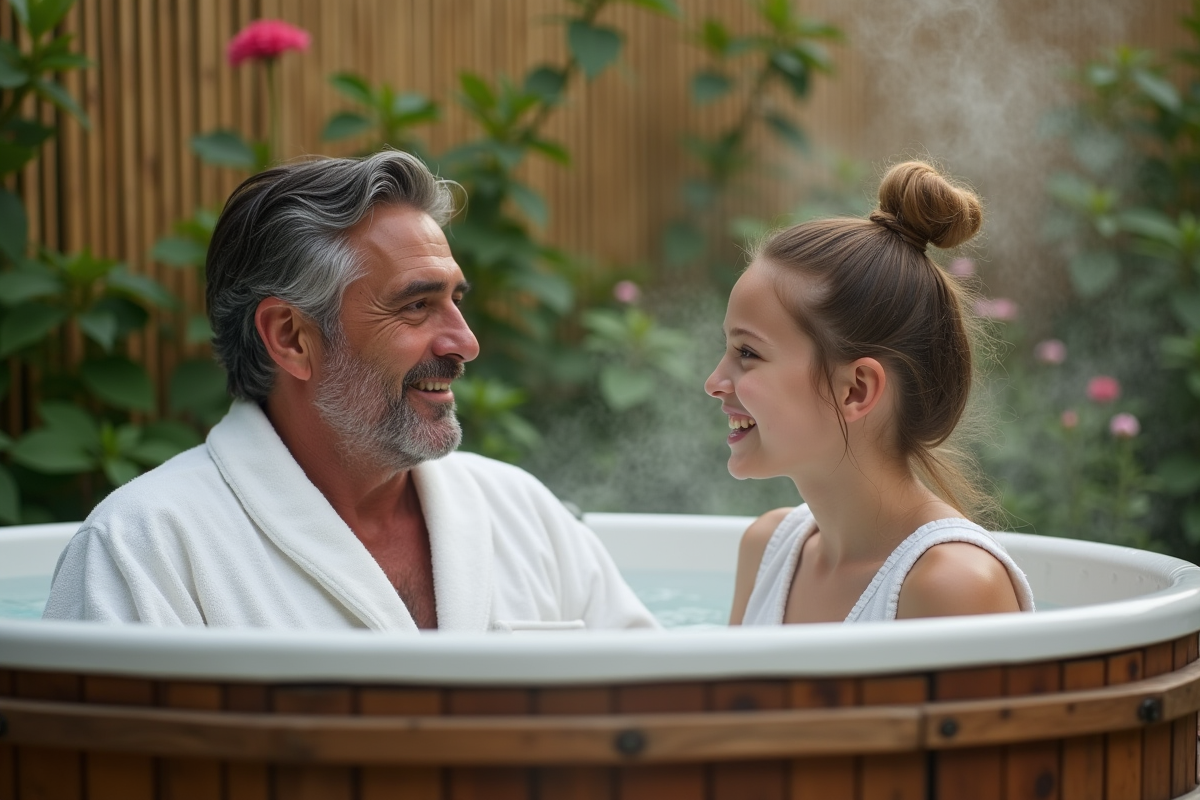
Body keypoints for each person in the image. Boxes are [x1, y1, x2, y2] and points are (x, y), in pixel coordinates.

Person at [43, 150, 657, 632]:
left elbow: (651, 709)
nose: (465, 343)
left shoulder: (521, 513)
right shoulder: (145, 551)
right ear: (291, 337)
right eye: (416, 306)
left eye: (455, 300)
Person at [707, 160, 1035, 626]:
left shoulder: (951, 586)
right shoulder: (766, 550)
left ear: (855, 390)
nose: (714, 382)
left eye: (747, 353)